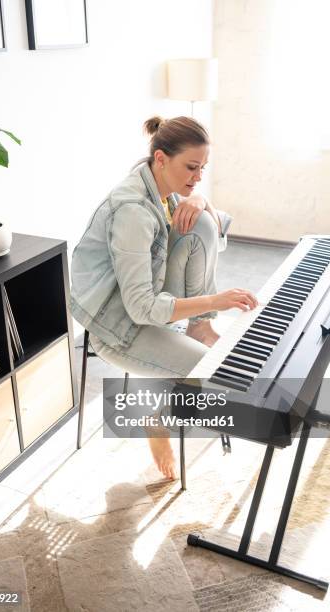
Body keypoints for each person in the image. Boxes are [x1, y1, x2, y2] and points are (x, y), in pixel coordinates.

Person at [71, 116, 258, 479]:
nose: (197, 176)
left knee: (201, 221)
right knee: (213, 375)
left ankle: (199, 330)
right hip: (117, 325)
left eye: (202, 168)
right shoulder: (133, 212)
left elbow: (217, 230)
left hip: (144, 297)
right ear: (161, 158)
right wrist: (214, 301)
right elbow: (141, 309)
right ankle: (156, 421)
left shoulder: (159, 184)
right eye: (191, 167)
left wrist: (200, 199)